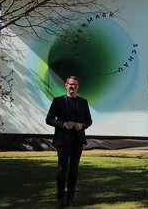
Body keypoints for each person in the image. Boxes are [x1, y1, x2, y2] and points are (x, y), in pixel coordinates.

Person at [46, 76, 92, 208]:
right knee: (62, 170)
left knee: (74, 170)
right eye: (71, 84)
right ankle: (60, 199)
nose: (73, 87)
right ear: (66, 85)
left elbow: (89, 121)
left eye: (75, 85)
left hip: (78, 141)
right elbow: (49, 119)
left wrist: (82, 126)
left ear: (78, 87)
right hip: (62, 141)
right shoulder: (58, 101)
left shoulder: (83, 102)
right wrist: (63, 124)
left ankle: (70, 199)